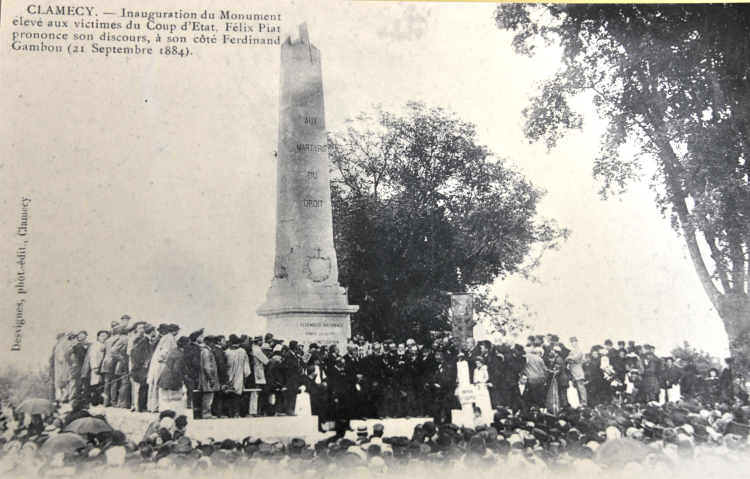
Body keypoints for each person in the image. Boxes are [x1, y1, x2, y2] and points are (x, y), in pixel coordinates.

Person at [147, 324, 179, 412]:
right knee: (158, 385)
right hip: (160, 364)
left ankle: (151, 406)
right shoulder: (170, 338)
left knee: (153, 385)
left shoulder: (165, 337)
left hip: (156, 364)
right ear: (174, 331)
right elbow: (163, 353)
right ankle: (156, 407)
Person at [157, 336, 190, 415]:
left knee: (166, 402)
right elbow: (177, 370)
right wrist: (182, 380)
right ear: (185, 345)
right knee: (174, 403)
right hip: (172, 379)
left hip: (165, 376)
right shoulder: (180, 355)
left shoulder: (174, 350)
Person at [225, 335, 251, 418]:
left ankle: (229, 413)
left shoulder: (227, 352)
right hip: (239, 375)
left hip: (229, 375)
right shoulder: (242, 351)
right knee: (237, 395)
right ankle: (236, 413)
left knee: (228, 393)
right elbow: (246, 365)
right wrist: (246, 375)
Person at [82, 330, 108, 406]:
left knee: (101, 384)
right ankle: (94, 401)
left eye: (105, 336)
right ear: (98, 337)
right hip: (96, 367)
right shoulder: (95, 345)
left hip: (102, 367)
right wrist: (95, 367)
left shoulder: (105, 344)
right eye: (102, 336)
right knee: (95, 384)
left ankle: (99, 400)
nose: (104, 337)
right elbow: (93, 357)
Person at [197, 334, 220, 419]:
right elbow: (207, 367)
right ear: (208, 342)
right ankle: (206, 414)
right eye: (212, 342)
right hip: (207, 378)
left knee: (208, 396)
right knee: (208, 396)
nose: (214, 344)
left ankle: (206, 413)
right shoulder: (206, 352)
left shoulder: (206, 351)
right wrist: (211, 378)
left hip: (207, 378)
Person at [566, 337, 587, 407]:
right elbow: (567, 359)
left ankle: (584, 402)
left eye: (574, 341)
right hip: (572, 369)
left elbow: (576, 358)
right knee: (575, 387)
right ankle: (578, 401)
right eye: (571, 342)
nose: (573, 343)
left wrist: (570, 358)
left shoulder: (579, 349)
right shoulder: (572, 350)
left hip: (577, 370)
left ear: (576, 341)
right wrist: (570, 358)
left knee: (581, 387)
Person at [51, 333, 71, 402]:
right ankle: (62, 398)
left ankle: (60, 398)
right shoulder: (60, 346)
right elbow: (61, 358)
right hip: (62, 367)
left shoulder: (58, 346)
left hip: (59, 367)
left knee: (60, 384)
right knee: (62, 383)